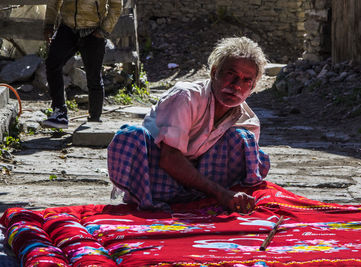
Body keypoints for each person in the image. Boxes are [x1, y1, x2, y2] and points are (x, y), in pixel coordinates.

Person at [108, 37, 270, 213]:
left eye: (246, 80)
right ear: (214, 72)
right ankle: (148, 200)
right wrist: (220, 193)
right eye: (231, 74)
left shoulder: (247, 120)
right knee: (130, 136)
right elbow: (169, 158)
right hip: (158, 174)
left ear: (253, 87)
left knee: (243, 141)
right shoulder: (186, 97)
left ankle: (206, 201)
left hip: (198, 183)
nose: (236, 86)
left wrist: (229, 195)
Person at [42, 0, 123, 129]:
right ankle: (60, 113)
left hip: (94, 29)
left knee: (93, 75)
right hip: (68, 27)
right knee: (52, 63)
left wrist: (104, 30)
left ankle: (94, 119)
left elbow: (116, 4)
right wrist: (49, 24)